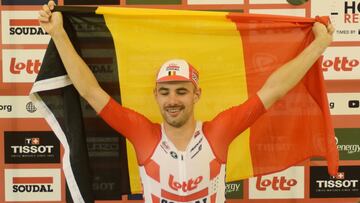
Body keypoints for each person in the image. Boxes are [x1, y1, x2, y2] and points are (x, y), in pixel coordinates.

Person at [38, 1, 334, 202]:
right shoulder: (143, 133)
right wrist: (59, 34)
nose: (172, 100)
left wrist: (319, 45)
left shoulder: (219, 130)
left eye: (181, 91)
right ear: (155, 96)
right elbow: (90, 90)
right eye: (165, 92)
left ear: (196, 94)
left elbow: (275, 89)